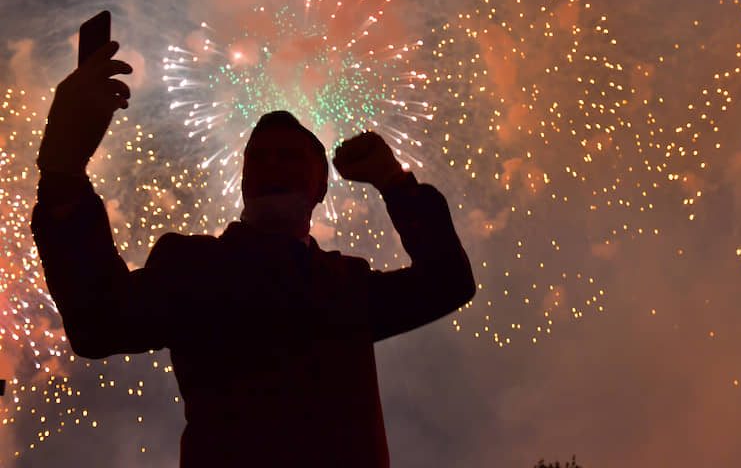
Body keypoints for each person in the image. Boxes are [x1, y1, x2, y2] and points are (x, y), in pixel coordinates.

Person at [30, 41, 476, 467]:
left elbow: (448, 283)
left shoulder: (348, 285)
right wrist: (63, 173)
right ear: (243, 183)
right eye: (259, 159)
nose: (273, 165)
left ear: (321, 187)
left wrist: (395, 182)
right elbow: (100, 323)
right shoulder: (194, 268)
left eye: (290, 157)